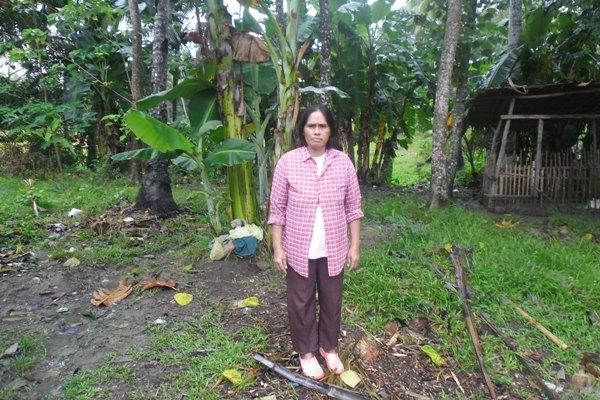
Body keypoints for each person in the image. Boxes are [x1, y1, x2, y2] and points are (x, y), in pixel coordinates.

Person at [268, 105, 363, 380]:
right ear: (303, 129)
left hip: (334, 248)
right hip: (298, 249)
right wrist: (278, 248)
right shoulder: (288, 162)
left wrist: (355, 245)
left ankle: (328, 347)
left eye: (322, 126)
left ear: (330, 130)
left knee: (332, 300)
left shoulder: (343, 163)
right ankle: (306, 352)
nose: (317, 131)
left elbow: (353, 208)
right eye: (312, 126)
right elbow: (277, 210)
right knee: (301, 302)